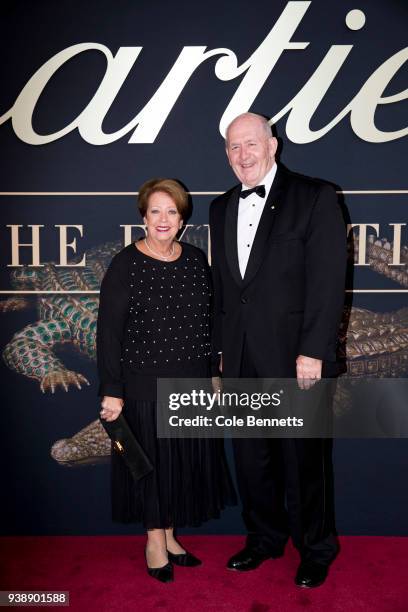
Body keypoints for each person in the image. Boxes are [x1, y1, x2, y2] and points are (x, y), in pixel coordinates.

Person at [209, 113, 346, 588]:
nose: (243, 156)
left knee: (303, 459)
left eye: (251, 144)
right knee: (252, 458)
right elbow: (226, 289)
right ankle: (264, 539)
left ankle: (316, 548)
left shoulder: (315, 196)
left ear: (273, 145)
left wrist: (313, 350)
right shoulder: (220, 207)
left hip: (295, 357)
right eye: (233, 148)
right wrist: (222, 351)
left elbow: (328, 282)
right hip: (242, 355)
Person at [96, 178, 236, 583]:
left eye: (171, 211)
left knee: (179, 467)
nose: (163, 219)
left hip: (191, 381)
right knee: (153, 468)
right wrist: (112, 389)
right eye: (155, 211)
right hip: (144, 385)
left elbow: (210, 322)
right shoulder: (126, 265)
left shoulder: (194, 260)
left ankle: (171, 535)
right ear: (143, 217)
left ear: (182, 219)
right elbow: (110, 334)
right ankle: (154, 541)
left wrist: (212, 372)